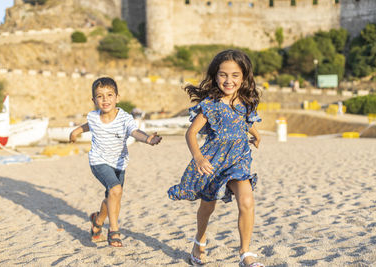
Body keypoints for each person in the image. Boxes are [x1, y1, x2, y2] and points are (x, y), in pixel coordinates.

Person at [167, 50, 264, 267]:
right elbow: (190, 133)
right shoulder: (211, 104)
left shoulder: (246, 102)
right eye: (223, 75)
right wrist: (199, 158)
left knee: (247, 201)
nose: (229, 80)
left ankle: (245, 254)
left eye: (235, 75)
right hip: (214, 163)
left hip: (239, 160)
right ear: (215, 75)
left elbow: (247, 122)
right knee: (207, 208)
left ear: (244, 77)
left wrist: (256, 136)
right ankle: (199, 240)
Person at [70, 77, 162, 247]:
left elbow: (134, 132)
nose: (105, 99)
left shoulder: (124, 118)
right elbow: (89, 125)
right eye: (100, 96)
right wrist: (76, 131)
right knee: (116, 189)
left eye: (109, 95)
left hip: (120, 163)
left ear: (117, 98)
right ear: (94, 100)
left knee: (113, 196)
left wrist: (148, 139)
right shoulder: (93, 116)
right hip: (98, 161)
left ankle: (97, 222)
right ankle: (114, 230)